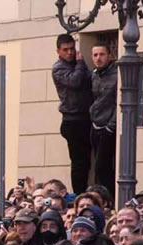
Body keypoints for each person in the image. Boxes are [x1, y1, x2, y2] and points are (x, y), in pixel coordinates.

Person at [52, 34, 93, 194]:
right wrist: (81, 63)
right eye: (65, 50)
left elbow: (88, 80)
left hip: (85, 117)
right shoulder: (59, 68)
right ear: (58, 51)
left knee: (86, 161)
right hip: (72, 120)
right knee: (78, 162)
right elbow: (75, 81)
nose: (69, 52)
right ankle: (79, 194)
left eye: (71, 48)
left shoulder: (77, 64)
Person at [90, 43, 117, 196]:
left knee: (103, 166)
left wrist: (110, 126)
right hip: (95, 125)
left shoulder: (116, 74)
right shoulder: (94, 75)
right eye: (95, 55)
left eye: (101, 54)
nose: (98, 58)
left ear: (109, 55)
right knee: (97, 167)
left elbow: (117, 102)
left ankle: (109, 198)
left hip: (108, 127)